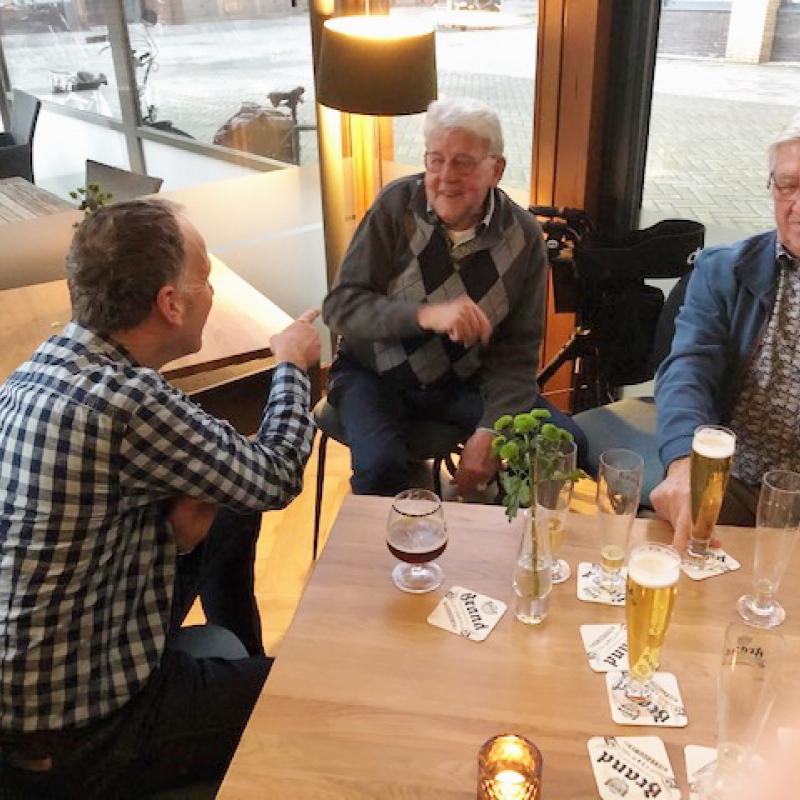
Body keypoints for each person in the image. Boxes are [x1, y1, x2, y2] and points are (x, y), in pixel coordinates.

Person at [0, 199, 320, 797]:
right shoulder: (127, 402)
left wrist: (173, 541)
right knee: (309, 696)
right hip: (81, 735)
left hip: (26, 685)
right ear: (170, 303)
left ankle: (240, 656)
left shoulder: (38, 368)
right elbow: (276, 474)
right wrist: (291, 365)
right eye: (207, 277)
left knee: (230, 516)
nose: (212, 291)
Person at [322, 97, 586, 497]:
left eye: (463, 162)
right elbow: (340, 306)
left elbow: (517, 352)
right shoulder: (396, 206)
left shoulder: (524, 237)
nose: (446, 176)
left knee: (561, 446)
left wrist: (491, 428)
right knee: (381, 469)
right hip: (373, 374)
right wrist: (425, 315)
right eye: (436, 160)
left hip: (462, 382)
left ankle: (507, 531)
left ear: (496, 169)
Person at [652, 111, 800, 550]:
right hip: (731, 478)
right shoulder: (725, 270)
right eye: (788, 185)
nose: (798, 205)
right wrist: (684, 464)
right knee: (665, 557)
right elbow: (688, 370)